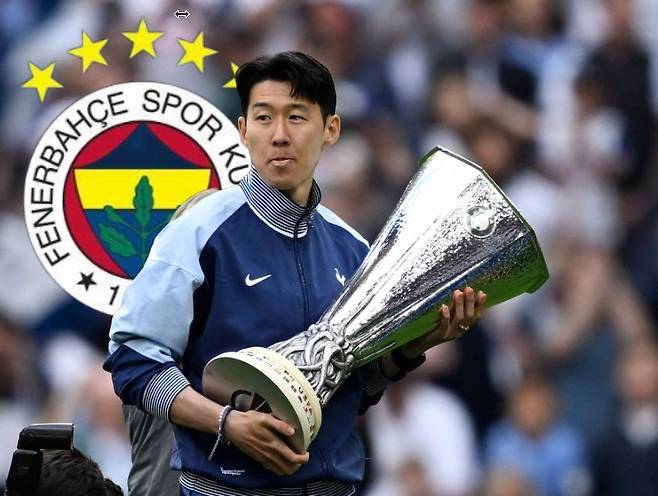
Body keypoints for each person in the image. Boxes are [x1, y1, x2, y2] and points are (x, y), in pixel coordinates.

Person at [104, 51, 486, 496]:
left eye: (297, 117)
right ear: (243, 130)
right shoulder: (199, 232)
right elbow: (134, 358)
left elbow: (357, 387)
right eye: (264, 118)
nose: (280, 135)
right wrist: (227, 422)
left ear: (331, 129)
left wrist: (416, 344)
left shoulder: (354, 249)